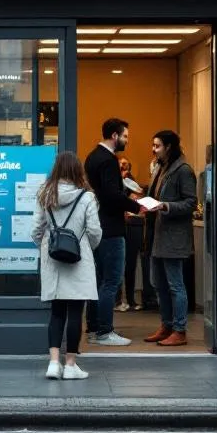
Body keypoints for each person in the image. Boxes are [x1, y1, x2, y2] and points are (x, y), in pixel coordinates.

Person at [32, 151, 103, 380]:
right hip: (78, 261)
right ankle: (70, 364)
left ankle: (54, 362)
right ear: (76, 170)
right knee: (75, 313)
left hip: (53, 260)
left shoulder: (45, 193)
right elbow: (94, 231)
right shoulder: (87, 197)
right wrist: (83, 246)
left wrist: (46, 246)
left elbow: (36, 230)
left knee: (56, 312)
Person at [83, 118, 143, 346]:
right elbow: (110, 194)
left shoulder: (92, 157)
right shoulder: (108, 160)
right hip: (111, 228)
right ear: (115, 136)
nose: (127, 140)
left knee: (97, 280)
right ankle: (104, 331)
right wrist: (136, 205)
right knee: (111, 281)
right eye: (125, 136)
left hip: (96, 226)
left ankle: (93, 328)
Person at [144, 130, 198, 347]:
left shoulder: (183, 170)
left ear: (169, 146)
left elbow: (191, 202)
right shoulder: (161, 168)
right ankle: (166, 325)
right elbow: (157, 196)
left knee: (175, 284)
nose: (154, 149)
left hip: (174, 237)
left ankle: (180, 329)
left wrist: (165, 206)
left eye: (157, 145)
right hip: (158, 234)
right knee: (159, 284)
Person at [116, 157, 145, 312]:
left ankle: (131, 299)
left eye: (125, 164)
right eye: (120, 164)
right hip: (119, 226)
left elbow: (138, 197)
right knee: (118, 264)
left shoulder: (132, 183)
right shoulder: (112, 183)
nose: (123, 166)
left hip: (132, 226)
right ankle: (118, 300)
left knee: (131, 265)